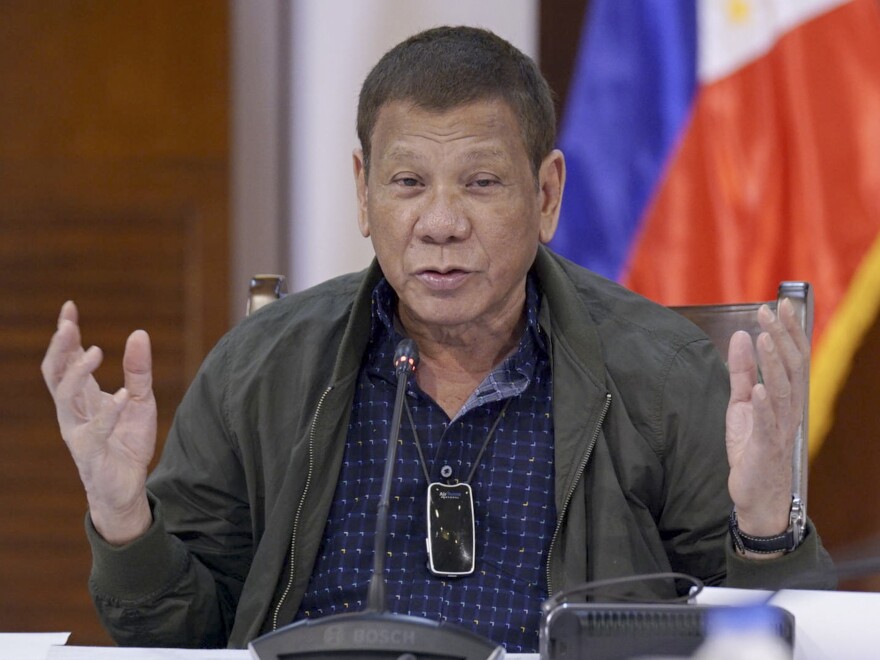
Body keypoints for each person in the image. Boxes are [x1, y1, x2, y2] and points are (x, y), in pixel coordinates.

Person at [41, 26, 833, 653]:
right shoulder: (261, 368)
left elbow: (774, 644)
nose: (441, 224)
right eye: (408, 182)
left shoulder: (664, 375)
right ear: (363, 192)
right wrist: (123, 520)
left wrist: (766, 526)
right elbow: (177, 638)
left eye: (482, 183)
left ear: (546, 193)